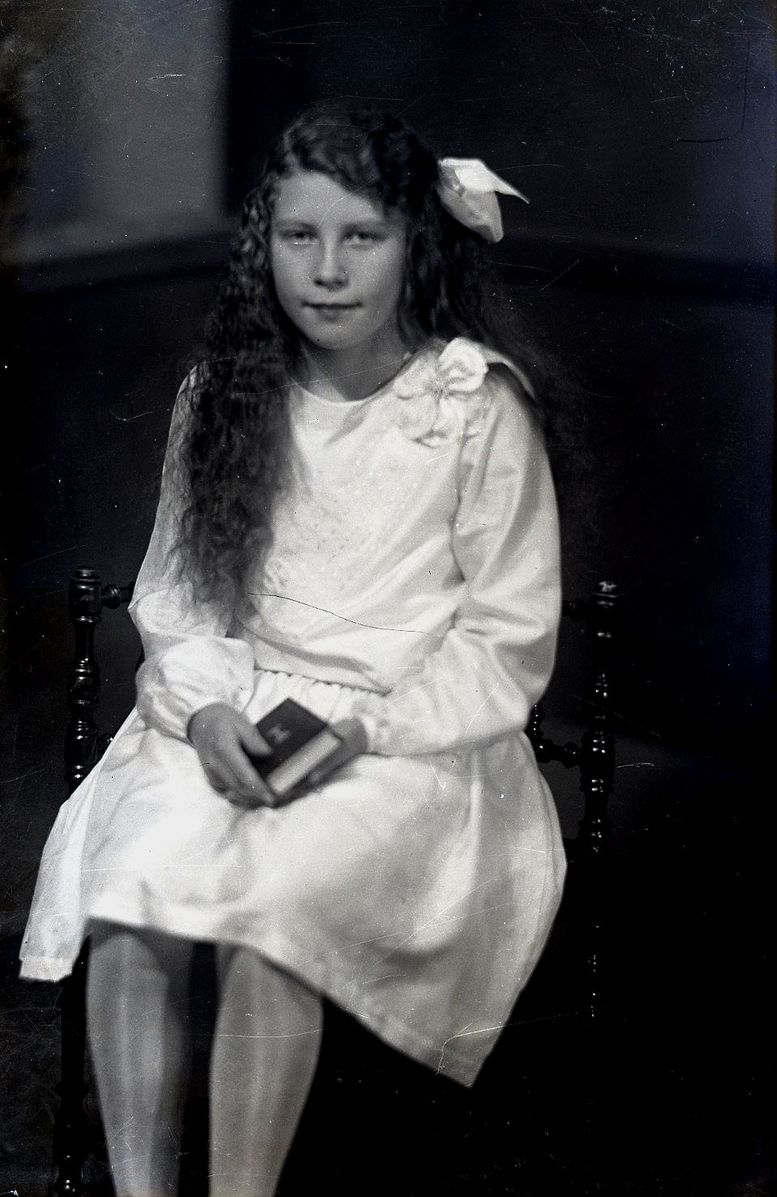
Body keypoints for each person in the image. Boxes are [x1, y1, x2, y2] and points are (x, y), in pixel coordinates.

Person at [20, 100, 567, 1197]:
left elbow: (503, 637)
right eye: (298, 235)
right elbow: (182, 596)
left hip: (407, 736)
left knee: (271, 914)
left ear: (414, 245)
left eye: (361, 237)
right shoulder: (226, 395)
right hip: (233, 705)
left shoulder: (469, 408)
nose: (326, 270)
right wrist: (206, 709)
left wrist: (369, 728)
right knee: (131, 890)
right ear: (262, 242)